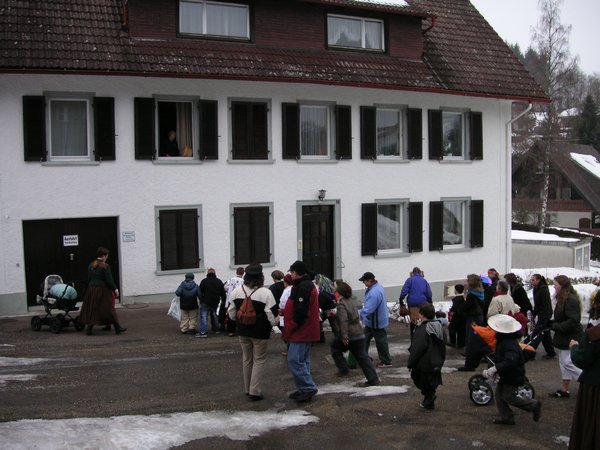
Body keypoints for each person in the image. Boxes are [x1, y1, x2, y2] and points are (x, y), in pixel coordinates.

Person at [227, 263, 279, 401]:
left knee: (247, 359)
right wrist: (274, 324)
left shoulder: (236, 292)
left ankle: (247, 388)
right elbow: (272, 316)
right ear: (261, 277)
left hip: (243, 331)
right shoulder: (266, 293)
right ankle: (254, 391)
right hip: (260, 332)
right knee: (259, 360)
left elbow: (231, 313)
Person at [484, 314, 542, 425]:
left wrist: (496, 368)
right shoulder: (506, 340)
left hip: (512, 375)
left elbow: (511, 361)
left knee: (508, 396)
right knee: (499, 396)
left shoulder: (508, 343)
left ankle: (533, 405)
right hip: (508, 374)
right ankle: (507, 417)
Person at [283, 260, 321, 403]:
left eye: (292, 272)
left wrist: (292, 325)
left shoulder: (303, 287)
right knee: (302, 360)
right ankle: (303, 388)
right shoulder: (303, 285)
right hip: (304, 329)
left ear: (297, 273)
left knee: (294, 360)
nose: (291, 274)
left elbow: (301, 311)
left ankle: (308, 387)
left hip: (301, 330)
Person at [330, 281, 380, 387]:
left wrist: (344, 336)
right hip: (358, 332)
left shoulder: (342, 304)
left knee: (335, 348)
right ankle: (373, 378)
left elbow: (343, 321)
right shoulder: (353, 300)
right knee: (363, 357)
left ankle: (343, 369)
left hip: (350, 334)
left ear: (339, 292)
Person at [568, 302, 600, 450]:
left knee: (592, 424)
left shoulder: (594, 334)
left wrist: (574, 347)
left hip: (595, 387)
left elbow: (582, 359)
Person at [407, 303, 446, 410]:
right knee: (431, 380)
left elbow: (417, 348)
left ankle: (429, 398)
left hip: (424, 362)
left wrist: (410, 363)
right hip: (437, 359)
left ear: (422, 314)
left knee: (420, 379)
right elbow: (443, 340)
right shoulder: (438, 326)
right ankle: (429, 398)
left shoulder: (423, 329)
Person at [79, 247, 126, 335]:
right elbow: (109, 280)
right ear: (104, 256)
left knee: (93, 308)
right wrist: (115, 289)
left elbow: (89, 278)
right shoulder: (105, 266)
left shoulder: (92, 264)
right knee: (109, 308)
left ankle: (89, 329)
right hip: (102, 290)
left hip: (92, 289)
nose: (107, 257)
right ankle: (117, 328)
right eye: (107, 255)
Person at [549, 275, 583, 398]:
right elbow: (562, 317)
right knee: (563, 363)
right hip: (564, 336)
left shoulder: (570, 299)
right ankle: (564, 389)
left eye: (556, 285)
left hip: (571, 336)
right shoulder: (563, 298)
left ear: (562, 286)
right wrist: (552, 323)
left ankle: (588, 382)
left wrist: (556, 326)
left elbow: (573, 320)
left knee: (568, 363)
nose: (554, 287)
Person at [359, 272, 392, 368]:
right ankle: (363, 358)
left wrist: (360, 315)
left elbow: (369, 308)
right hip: (373, 320)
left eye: (364, 281)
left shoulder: (374, 293)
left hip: (375, 321)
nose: (363, 283)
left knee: (380, 341)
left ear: (370, 281)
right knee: (365, 339)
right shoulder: (377, 287)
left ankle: (386, 361)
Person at [398, 267, 432, 338]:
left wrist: (401, 299)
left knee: (414, 322)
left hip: (412, 304)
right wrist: (430, 302)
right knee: (423, 320)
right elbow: (429, 293)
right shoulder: (424, 281)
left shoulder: (409, 280)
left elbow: (404, 291)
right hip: (423, 303)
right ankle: (423, 337)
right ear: (420, 272)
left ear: (412, 273)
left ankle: (414, 338)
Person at [530, 274, 556, 359]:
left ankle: (530, 353)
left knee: (537, 333)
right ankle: (551, 352)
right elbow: (537, 304)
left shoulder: (543, 289)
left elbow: (546, 305)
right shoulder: (536, 289)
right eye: (531, 280)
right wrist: (534, 314)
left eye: (533, 280)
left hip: (545, 314)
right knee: (545, 333)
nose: (531, 281)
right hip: (541, 313)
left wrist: (545, 318)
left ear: (538, 280)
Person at [197, 268, 226, 338]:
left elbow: (200, 292)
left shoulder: (204, 281)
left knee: (204, 316)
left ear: (208, 273)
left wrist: (201, 300)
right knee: (214, 315)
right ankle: (216, 330)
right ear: (214, 273)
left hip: (205, 301)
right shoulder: (219, 281)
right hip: (215, 301)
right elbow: (223, 293)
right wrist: (223, 301)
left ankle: (203, 332)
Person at [463, 274, 484, 348]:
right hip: (479, 316)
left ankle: (470, 351)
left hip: (473, 317)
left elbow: (466, 307)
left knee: (471, 336)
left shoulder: (471, 295)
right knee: (476, 334)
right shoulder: (480, 293)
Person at [223, 267, 245, 336]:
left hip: (231, 299)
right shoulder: (243, 281)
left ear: (236, 272)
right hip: (240, 299)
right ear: (243, 273)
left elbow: (225, 288)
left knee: (231, 313)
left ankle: (231, 331)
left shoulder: (230, 279)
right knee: (240, 314)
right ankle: (240, 330)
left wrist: (230, 290)